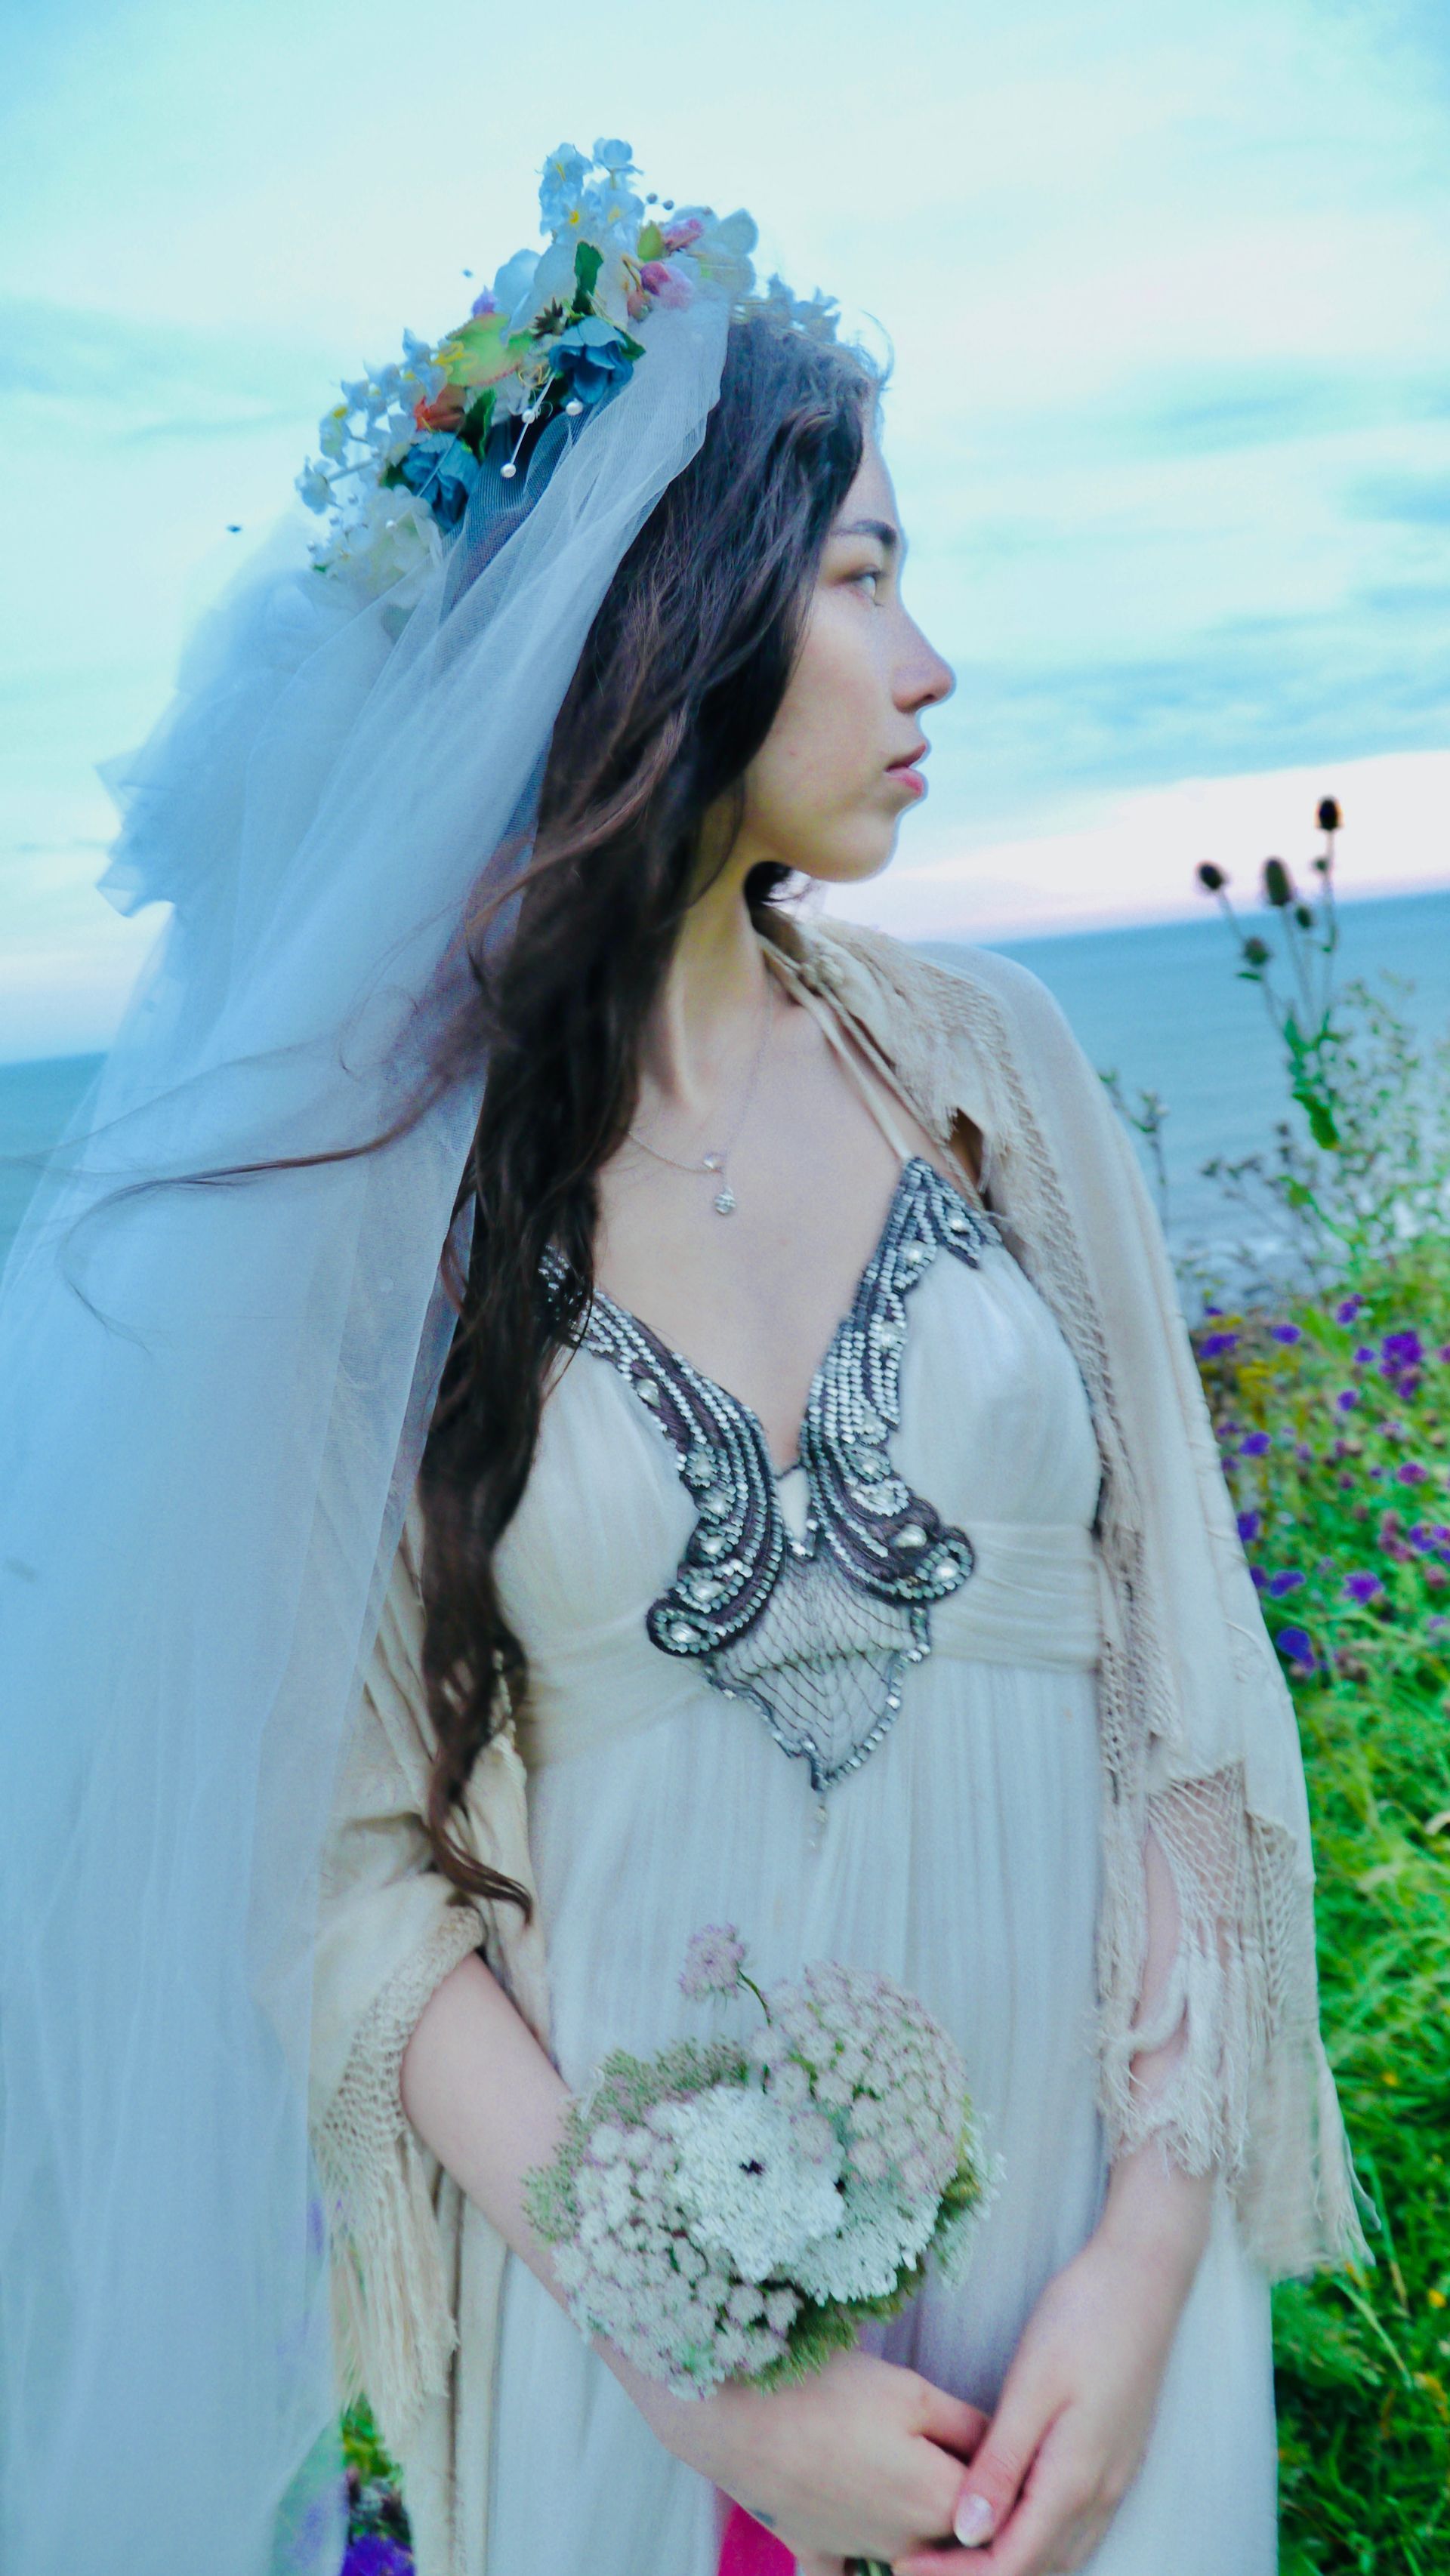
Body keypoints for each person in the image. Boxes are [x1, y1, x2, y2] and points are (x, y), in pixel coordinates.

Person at [0, 145, 1361, 2576]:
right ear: (674, 608)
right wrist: (697, 2366)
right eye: (863, 574)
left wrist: (1151, 2257)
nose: (928, 664)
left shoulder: (1001, 1073)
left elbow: (1189, 1690)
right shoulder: (386, 1217)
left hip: (1083, 2321)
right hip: (658, 2371)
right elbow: (346, 1880)